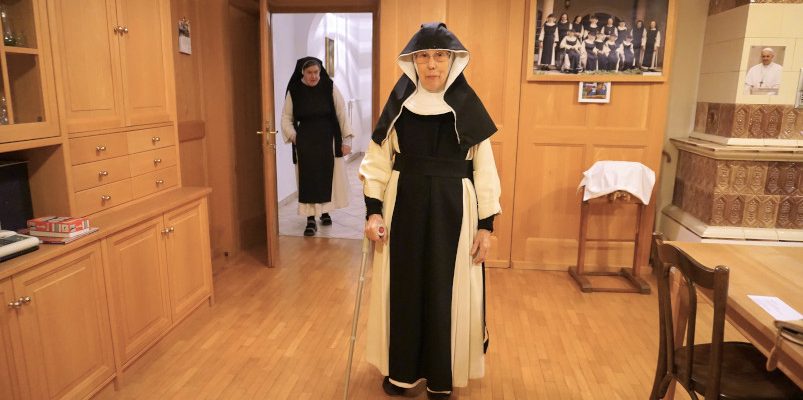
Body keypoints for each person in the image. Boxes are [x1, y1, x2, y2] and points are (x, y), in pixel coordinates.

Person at [359, 22, 502, 399]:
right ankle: (403, 373)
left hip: (456, 210)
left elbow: (485, 170)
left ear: (453, 60)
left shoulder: (467, 107)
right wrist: (373, 211)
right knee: (403, 288)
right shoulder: (398, 107)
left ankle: (441, 376)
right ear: (413, 61)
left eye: (440, 55)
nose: (432, 64)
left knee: (446, 291)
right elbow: (378, 161)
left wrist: (485, 226)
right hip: (402, 206)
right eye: (423, 56)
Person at [281, 57, 353, 236]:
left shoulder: (329, 86)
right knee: (309, 180)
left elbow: (341, 112)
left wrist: (347, 140)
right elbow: (286, 117)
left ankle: (325, 212)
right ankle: (310, 219)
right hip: (305, 143)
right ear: (302, 73)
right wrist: (294, 136)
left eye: (316, 72)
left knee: (327, 178)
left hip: (328, 140)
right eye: (309, 73)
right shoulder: (295, 91)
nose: (313, 76)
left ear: (320, 72)